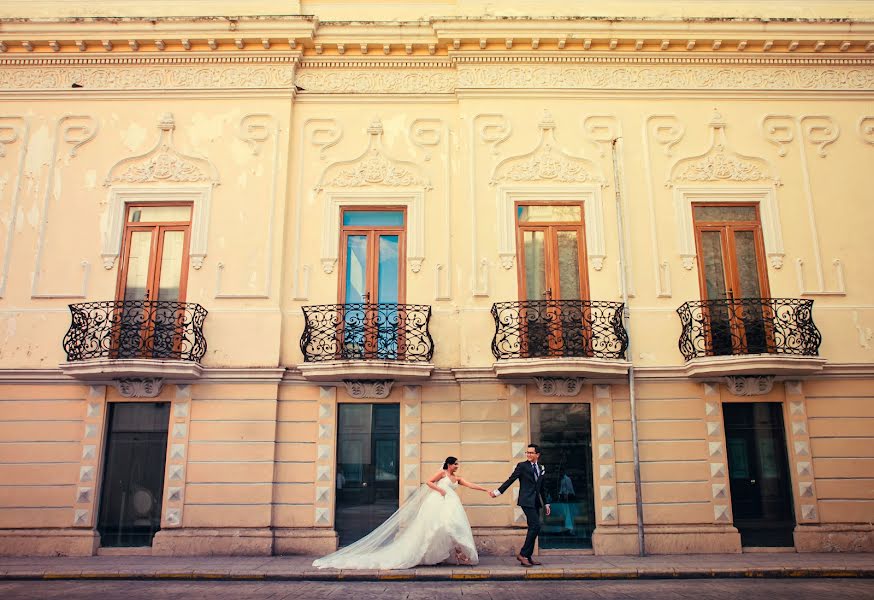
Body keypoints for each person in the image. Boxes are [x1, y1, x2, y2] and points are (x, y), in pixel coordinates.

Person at [312, 456, 491, 570]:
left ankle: (459, 554)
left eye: (458, 464)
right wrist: (440, 490)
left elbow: (471, 485)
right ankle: (444, 553)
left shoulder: (456, 478)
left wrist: (486, 490)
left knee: (451, 527)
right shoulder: (442, 474)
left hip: (451, 505)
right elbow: (428, 482)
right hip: (437, 503)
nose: (458, 466)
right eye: (456, 463)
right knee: (435, 528)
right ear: (450, 464)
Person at [491, 443, 551, 567]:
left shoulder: (541, 468)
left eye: (531, 452)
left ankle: (527, 556)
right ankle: (523, 554)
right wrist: (498, 492)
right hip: (526, 500)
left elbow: (542, 487)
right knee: (536, 526)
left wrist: (547, 503)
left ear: (537, 455)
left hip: (535, 501)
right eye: (527, 452)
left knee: (533, 527)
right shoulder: (522, 466)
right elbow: (511, 479)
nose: (528, 454)